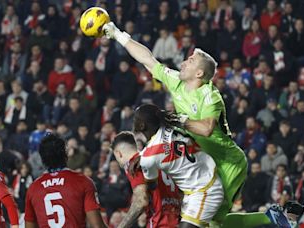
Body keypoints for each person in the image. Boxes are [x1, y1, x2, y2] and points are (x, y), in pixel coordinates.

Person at [104, 22, 247, 222]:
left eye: (190, 60)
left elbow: (206, 129)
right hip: (203, 161)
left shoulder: (209, 96)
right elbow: (148, 59)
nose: (183, 62)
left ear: (199, 74)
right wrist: (118, 35)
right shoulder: (177, 83)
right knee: (211, 222)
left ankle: (270, 219)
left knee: (216, 223)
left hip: (228, 163)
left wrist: (177, 119)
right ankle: (271, 217)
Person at [114, 104, 224, 227]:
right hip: (204, 179)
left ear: (142, 125)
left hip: (204, 190)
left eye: (135, 118)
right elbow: (163, 148)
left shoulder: (149, 157)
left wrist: (144, 165)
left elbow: (152, 185)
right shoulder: (171, 122)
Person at [24, 133, 106, 228]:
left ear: (42, 158)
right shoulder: (83, 182)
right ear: (65, 154)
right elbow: (97, 226)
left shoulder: (33, 188)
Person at [111, 131, 181, 227]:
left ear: (118, 153)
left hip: (159, 222)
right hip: (178, 220)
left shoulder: (133, 164)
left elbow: (141, 201)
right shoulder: (153, 158)